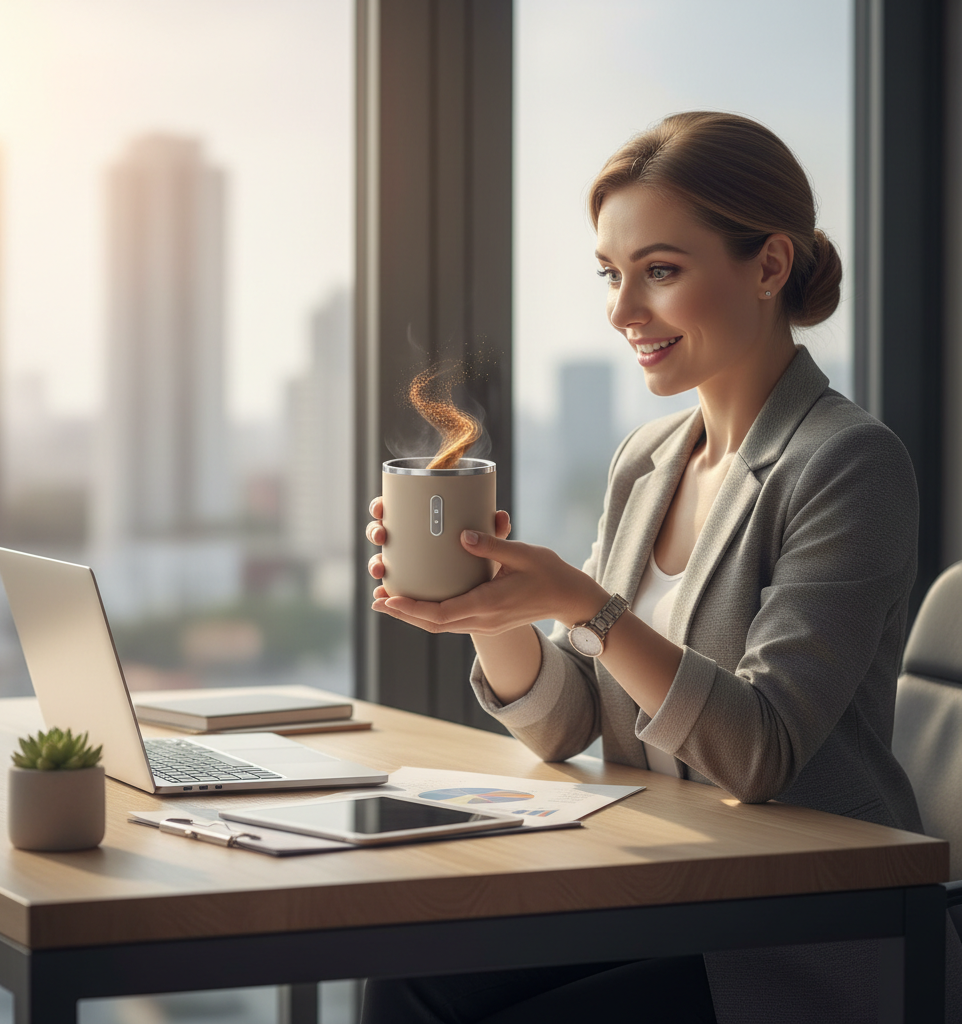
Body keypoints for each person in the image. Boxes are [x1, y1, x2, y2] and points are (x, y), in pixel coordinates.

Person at [361, 111, 962, 1023]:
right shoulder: (648, 459)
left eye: (660, 271)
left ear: (768, 266)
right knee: (407, 974)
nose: (622, 311)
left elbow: (758, 752)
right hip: (664, 889)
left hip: (792, 933)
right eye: (611, 274)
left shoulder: (849, 462)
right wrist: (500, 615)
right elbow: (569, 725)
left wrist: (587, 604)